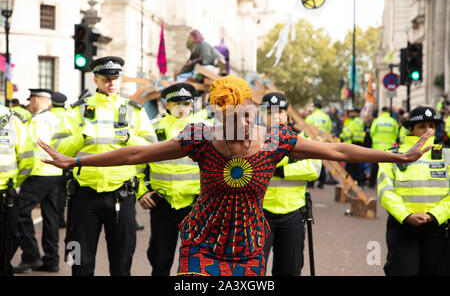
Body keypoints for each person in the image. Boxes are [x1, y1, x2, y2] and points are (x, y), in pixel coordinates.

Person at [37, 75, 433, 276]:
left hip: (248, 245)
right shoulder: (200, 137)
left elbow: (337, 150)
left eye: (242, 116)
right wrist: (77, 163)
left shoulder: (278, 140)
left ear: (251, 109)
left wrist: (396, 157)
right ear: (216, 114)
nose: (236, 126)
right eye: (225, 117)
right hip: (200, 241)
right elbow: (138, 152)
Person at [49, 56, 156, 276]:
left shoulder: (134, 110)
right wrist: (80, 137)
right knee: (78, 259)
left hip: (122, 195)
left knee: (122, 261)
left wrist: (129, 138)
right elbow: (58, 149)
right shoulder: (77, 110)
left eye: (115, 78)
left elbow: (151, 148)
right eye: (106, 79)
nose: (111, 83)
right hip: (84, 196)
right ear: (95, 79)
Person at [138, 83, 203, 276]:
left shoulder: (204, 130)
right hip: (162, 204)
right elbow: (136, 166)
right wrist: (141, 192)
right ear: (166, 105)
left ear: (191, 104)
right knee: (160, 260)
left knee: (195, 261)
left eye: (186, 103)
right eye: (176, 103)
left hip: (196, 205)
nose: (182, 108)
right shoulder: (151, 130)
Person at [377, 106, 450, 276]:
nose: (428, 131)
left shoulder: (447, 156)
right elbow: (385, 191)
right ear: (410, 129)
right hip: (403, 225)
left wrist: (434, 215)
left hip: (436, 226)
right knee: (403, 271)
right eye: (422, 126)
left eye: (431, 126)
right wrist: (406, 216)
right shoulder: (393, 155)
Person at [261, 92, 321, 276]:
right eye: (270, 112)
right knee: (252, 270)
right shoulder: (254, 138)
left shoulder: (300, 138)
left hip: (292, 214)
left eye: (280, 111)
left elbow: (313, 169)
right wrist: (292, 162)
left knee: (289, 269)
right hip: (260, 213)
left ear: (287, 114)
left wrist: (281, 171)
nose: (276, 116)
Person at [13, 89, 62, 274]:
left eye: (31, 101)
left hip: (39, 171)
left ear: (36, 100)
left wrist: (22, 174)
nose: (29, 104)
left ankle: (31, 257)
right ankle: (52, 259)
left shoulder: (37, 120)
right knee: (50, 217)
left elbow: (29, 148)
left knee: (20, 212)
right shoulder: (55, 119)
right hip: (55, 172)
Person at [0, 104, 34, 276]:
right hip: (6, 193)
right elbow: (28, 161)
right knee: (7, 242)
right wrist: (14, 183)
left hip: (7, 195)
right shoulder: (14, 120)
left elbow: (28, 160)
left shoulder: (12, 119)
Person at [49, 92, 68, 228]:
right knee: (62, 191)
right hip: (67, 159)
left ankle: (54, 219)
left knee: (52, 194)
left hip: (50, 160)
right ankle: (61, 218)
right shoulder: (69, 115)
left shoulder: (46, 116)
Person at [368, 107, 398, 188]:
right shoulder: (393, 121)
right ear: (388, 111)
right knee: (387, 168)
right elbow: (396, 134)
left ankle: (371, 184)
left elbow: (371, 133)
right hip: (389, 148)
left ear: (382, 111)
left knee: (375, 167)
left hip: (377, 147)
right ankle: (387, 184)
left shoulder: (377, 121)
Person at [305, 102, 331, 188]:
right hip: (324, 142)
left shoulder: (311, 117)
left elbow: (305, 129)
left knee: (312, 161)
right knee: (323, 162)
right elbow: (329, 130)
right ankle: (321, 182)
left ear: (315, 107)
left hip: (313, 142)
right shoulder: (327, 117)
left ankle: (311, 183)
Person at [340, 108, 367, 187]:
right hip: (357, 143)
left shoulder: (354, 121)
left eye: (352, 112)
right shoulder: (358, 121)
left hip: (353, 143)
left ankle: (350, 181)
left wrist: (340, 136)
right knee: (356, 163)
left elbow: (348, 132)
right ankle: (358, 181)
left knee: (351, 165)